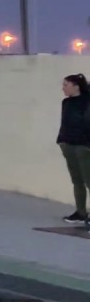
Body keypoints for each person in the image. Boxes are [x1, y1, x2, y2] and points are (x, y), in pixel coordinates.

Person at [60, 73, 90, 223]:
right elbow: (64, 123)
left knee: (88, 180)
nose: (63, 88)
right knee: (77, 181)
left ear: (76, 86)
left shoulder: (87, 102)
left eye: (66, 85)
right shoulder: (66, 103)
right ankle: (81, 212)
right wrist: (61, 140)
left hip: (83, 146)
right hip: (68, 144)